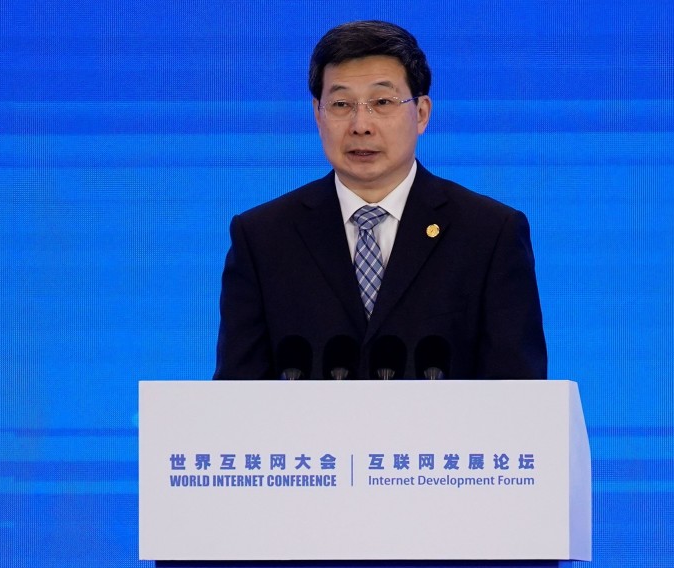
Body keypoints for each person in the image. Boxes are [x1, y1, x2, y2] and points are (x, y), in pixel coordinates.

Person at [214, 20, 546, 380]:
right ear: (318, 114)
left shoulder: (489, 233)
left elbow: (519, 395)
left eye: (382, 102)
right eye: (341, 103)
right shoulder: (262, 237)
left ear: (421, 113)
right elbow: (236, 396)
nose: (361, 124)